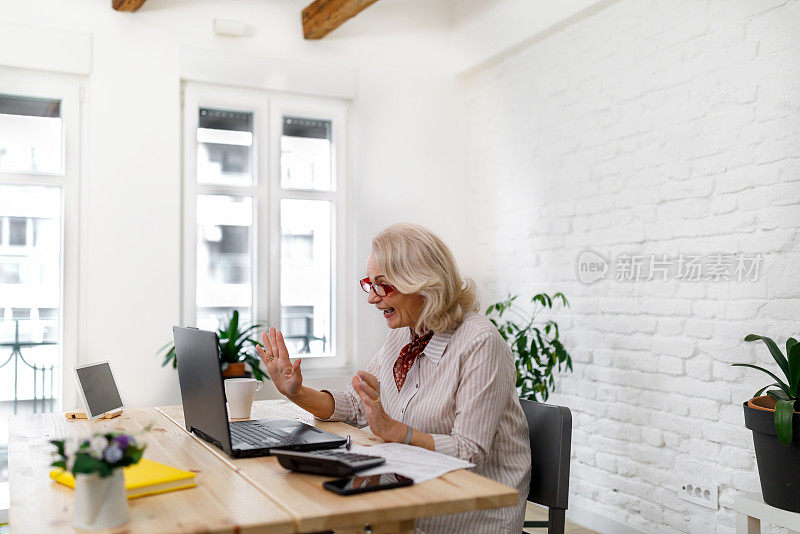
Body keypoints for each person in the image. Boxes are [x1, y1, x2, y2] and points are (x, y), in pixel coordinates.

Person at [257, 223, 531, 533]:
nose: (372, 298)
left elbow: (470, 452)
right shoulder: (404, 334)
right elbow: (357, 406)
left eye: (383, 285)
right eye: (369, 283)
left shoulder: (480, 342)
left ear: (423, 284)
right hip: (408, 496)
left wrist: (395, 430)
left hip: (466, 515)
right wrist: (296, 392)